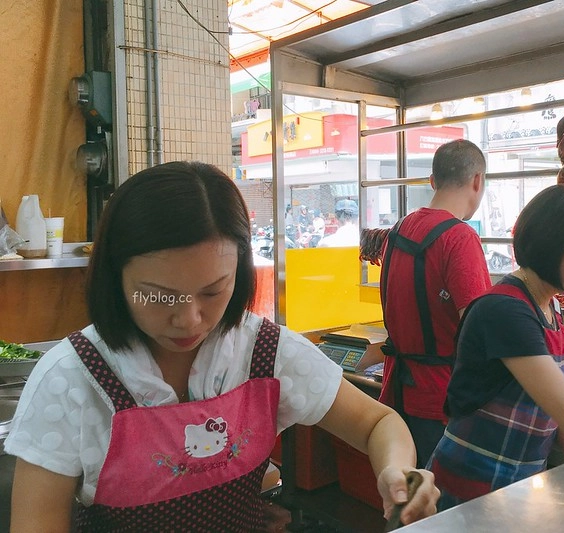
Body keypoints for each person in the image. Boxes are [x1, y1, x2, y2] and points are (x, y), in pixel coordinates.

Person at [5, 161, 439, 531]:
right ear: (114, 278)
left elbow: (376, 423)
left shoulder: (263, 352)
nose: (189, 318)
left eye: (213, 292)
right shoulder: (72, 378)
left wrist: (397, 472)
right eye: (159, 294)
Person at [428, 184, 564, 510]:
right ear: (548, 241)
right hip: (469, 489)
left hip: (517, 491)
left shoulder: (549, 307)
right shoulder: (505, 309)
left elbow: (560, 418)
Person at [379, 139, 492, 468]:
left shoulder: (399, 229)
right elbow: (480, 328)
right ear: (477, 181)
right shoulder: (459, 237)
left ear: (432, 181)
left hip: (398, 391)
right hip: (440, 401)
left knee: (409, 495)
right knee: (443, 507)